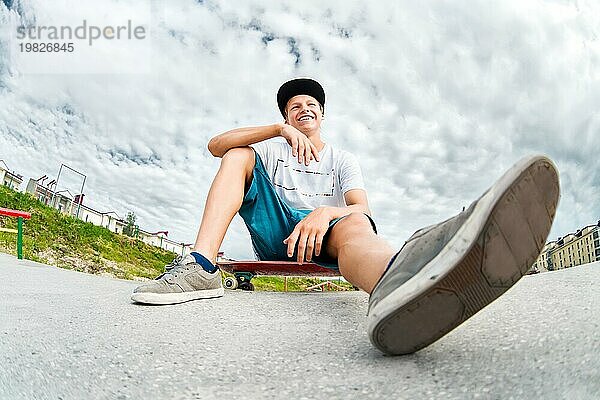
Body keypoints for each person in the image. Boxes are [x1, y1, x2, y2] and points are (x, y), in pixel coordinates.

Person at [132, 78, 560, 355]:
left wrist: (324, 212)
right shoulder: (272, 145)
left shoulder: (342, 158)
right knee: (237, 154)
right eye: (295, 107)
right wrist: (276, 131)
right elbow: (215, 145)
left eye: (311, 105)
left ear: (322, 114)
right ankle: (200, 268)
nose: (304, 110)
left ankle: (401, 287)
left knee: (355, 221)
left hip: (327, 236)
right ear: (287, 115)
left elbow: (361, 208)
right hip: (276, 231)